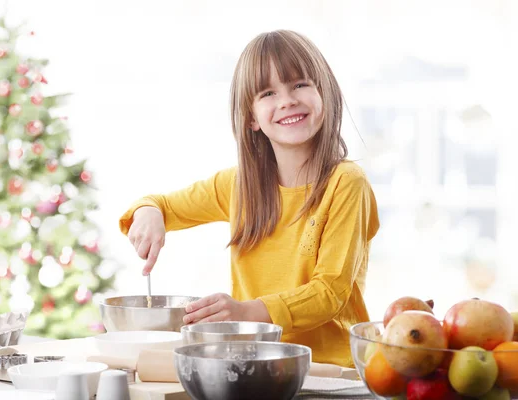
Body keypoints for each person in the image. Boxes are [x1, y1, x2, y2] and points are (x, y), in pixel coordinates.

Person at [119, 30, 379, 367]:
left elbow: (330, 292)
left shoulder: (346, 184)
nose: (287, 100)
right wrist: (149, 211)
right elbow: (162, 205)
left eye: (299, 84)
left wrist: (247, 312)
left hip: (330, 373)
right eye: (268, 93)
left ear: (325, 93)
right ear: (252, 118)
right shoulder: (240, 185)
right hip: (257, 366)